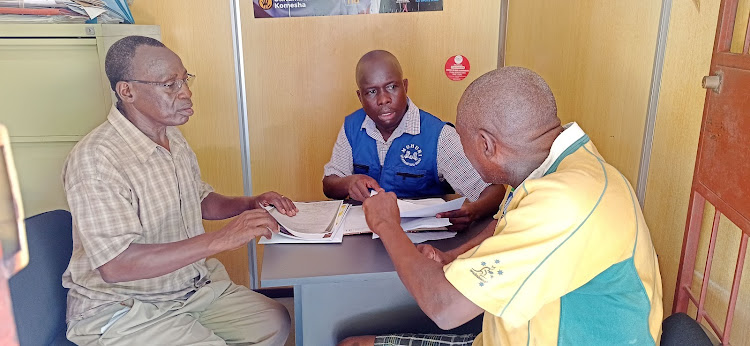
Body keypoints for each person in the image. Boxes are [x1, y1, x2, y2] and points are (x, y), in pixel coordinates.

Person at [340, 67, 663, 345]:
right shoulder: (566, 168)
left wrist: (386, 224)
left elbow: (444, 307)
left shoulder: (566, 202)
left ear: (486, 144)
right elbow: (511, 220)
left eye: (464, 144)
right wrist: (454, 256)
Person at [62, 36, 296, 345]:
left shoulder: (171, 136)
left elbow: (197, 200)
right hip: (125, 307)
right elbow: (116, 265)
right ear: (127, 91)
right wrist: (222, 238)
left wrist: (249, 204)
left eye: (185, 80)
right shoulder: (96, 161)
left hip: (188, 288)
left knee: (274, 322)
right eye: (169, 85)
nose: (186, 93)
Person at [323, 50, 505, 229]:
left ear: (405, 86)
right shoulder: (351, 127)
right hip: (364, 238)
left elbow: (494, 192)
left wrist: (472, 211)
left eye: (392, 87)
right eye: (371, 92)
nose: (383, 99)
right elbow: (330, 184)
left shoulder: (439, 136)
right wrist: (349, 183)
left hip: (424, 241)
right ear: (360, 97)